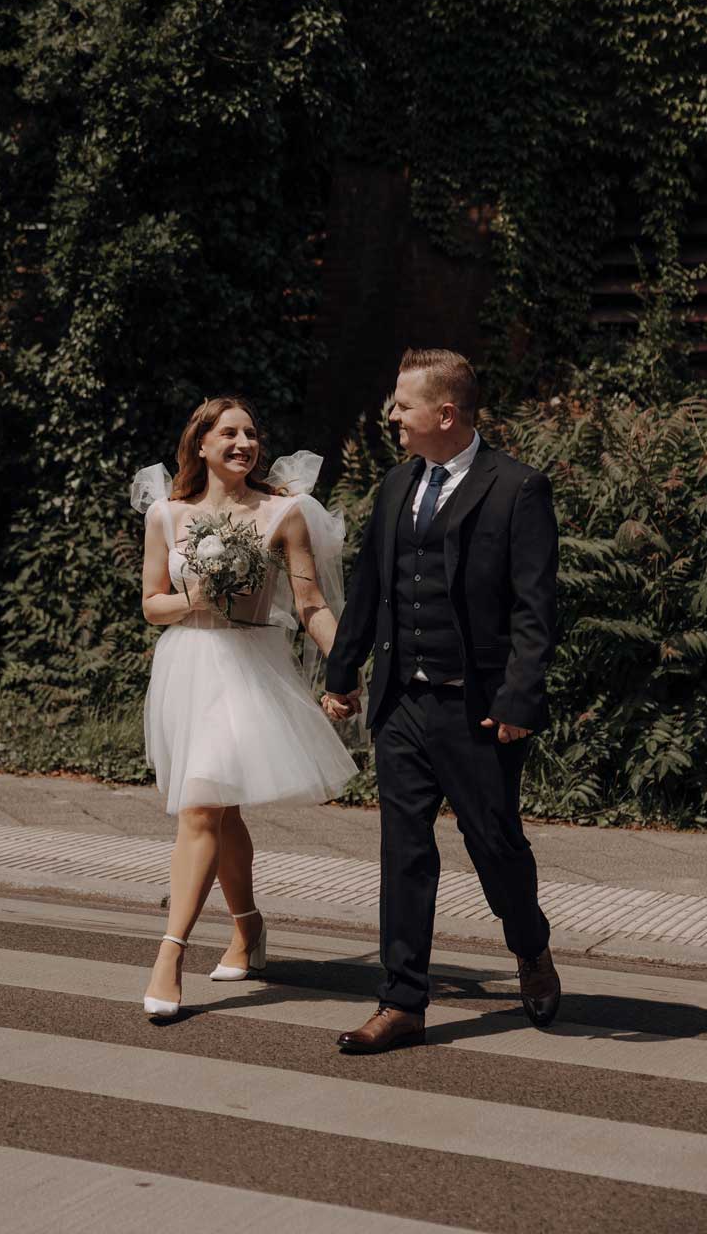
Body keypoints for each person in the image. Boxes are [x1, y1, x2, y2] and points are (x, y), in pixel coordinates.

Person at [324, 347, 561, 1053]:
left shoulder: (517, 488)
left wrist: (519, 699)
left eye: (403, 404)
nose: (392, 415)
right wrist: (343, 674)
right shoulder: (397, 485)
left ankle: (530, 946)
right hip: (403, 705)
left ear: (445, 413)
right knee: (403, 852)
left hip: (479, 710)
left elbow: (534, 607)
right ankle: (401, 1002)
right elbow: (371, 587)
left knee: (495, 845)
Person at [132, 395, 359, 1019]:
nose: (243, 443)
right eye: (228, 433)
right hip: (190, 668)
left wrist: (345, 667)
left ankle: (169, 955)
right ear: (200, 445)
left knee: (204, 807)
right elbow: (151, 603)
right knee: (218, 814)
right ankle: (249, 927)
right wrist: (193, 599)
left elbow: (311, 604)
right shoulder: (166, 514)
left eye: (251, 434)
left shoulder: (284, 513)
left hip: (249, 668)